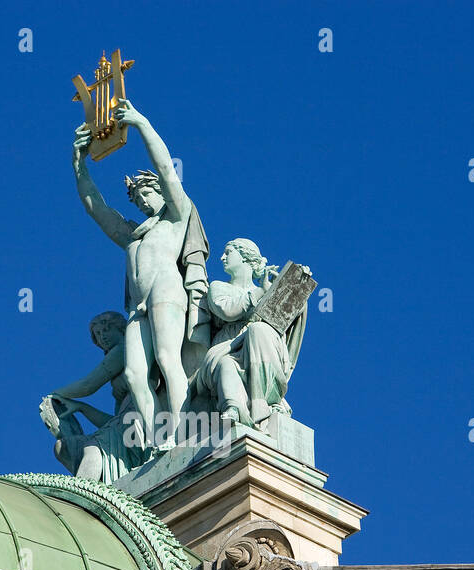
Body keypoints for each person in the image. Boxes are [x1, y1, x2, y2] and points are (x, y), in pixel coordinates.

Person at [72, 100, 207, 450]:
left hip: (167, 292)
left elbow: (166, 168)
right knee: (133, 374)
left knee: (166, 359)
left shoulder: (177, 218)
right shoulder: (133, 235)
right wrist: (78, 164)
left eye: (147, 194)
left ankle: (180, 434)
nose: (143, 202)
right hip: (139, 306)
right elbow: (96, 209)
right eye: (137, 199)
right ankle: (151, 442)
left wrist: (142, 123)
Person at [194, 239, 296, 428]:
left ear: (245, 257)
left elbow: (286, 320)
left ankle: (270, 400)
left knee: (259, 330)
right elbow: (227, 310)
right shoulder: (218, 287)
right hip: (229, 346)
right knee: (226, 364)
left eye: (228, 252)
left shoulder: (265, 290)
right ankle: (234, 408)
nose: (222, 257)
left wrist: (295, 286)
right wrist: (260, 292)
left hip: (263, 344)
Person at [40, 311, 146, 483]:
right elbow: (114, 422)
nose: (102, 337)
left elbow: (88, 385)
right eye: (98, 334)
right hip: (130, 425)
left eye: (106, 330)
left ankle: (80, 498)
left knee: (91, 449)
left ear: (120, 329)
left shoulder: (125, 348)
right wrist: (82, 408)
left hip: (141, 424)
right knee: (72, 448)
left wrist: (54, 395)